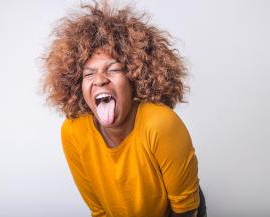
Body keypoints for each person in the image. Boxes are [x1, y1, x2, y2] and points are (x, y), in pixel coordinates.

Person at [42, 1, 206, 217]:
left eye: (113, 69)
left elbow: (185, 209)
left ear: (135, 78)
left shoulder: (160, 123)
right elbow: (98, 210)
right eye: (88, 74)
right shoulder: (73, 132)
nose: (99, 79)